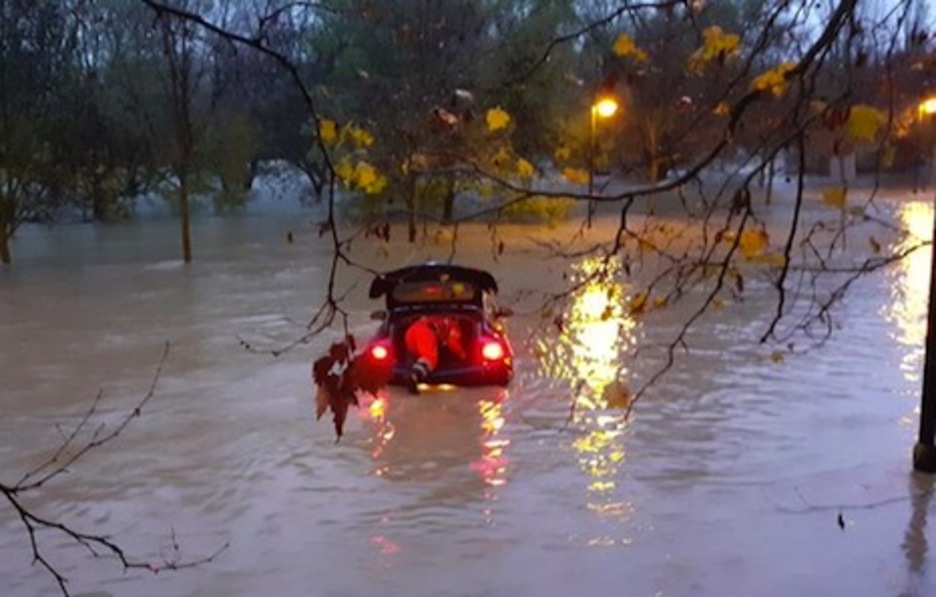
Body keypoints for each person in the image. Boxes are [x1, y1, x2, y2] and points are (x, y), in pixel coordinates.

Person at [403, 315, 466, 394]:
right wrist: (462, 355)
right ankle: (414, 375)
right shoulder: (453, 325)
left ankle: (408, 372)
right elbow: (452, 342)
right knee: (430, 358)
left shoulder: (433, 318)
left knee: (414, 353)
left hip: (410, 331)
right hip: (425, 332)